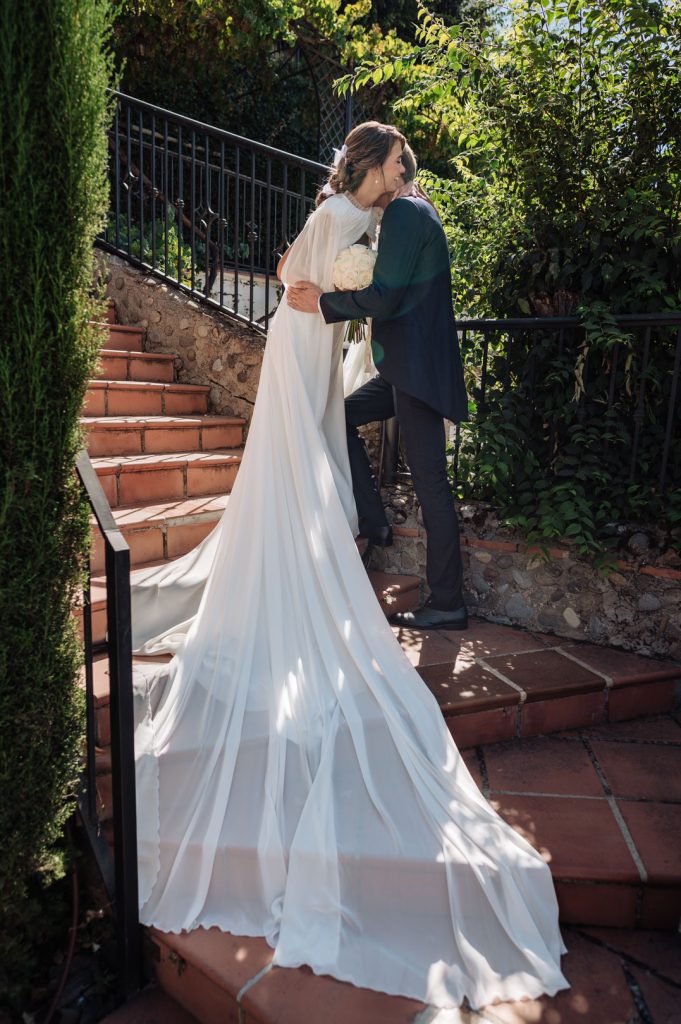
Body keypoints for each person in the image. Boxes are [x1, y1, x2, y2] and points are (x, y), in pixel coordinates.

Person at [129, 121, 568, 1011]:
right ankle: (366, 538)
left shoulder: (393, 220)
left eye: (404, 163)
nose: (408, 170)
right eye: (399, 159)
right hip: (314, 351)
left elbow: (380, 292)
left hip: (363, 353)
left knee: (380, 467)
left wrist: (332, 309)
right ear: (370, 163)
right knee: (340, 453)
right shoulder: (345, 212)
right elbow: (306, 276)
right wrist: (320, 306)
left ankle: (416, 576)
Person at [287, 148, 468, 631]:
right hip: (404, 370)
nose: (378, 175)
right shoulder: (409, 213)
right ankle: (374, 520)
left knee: (431, 485)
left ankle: (448, 601)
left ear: (399, 171)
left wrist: (324, 302)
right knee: (342, 415)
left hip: (416, 373)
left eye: (386, 166)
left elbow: (386, 296)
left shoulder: (408, 212)